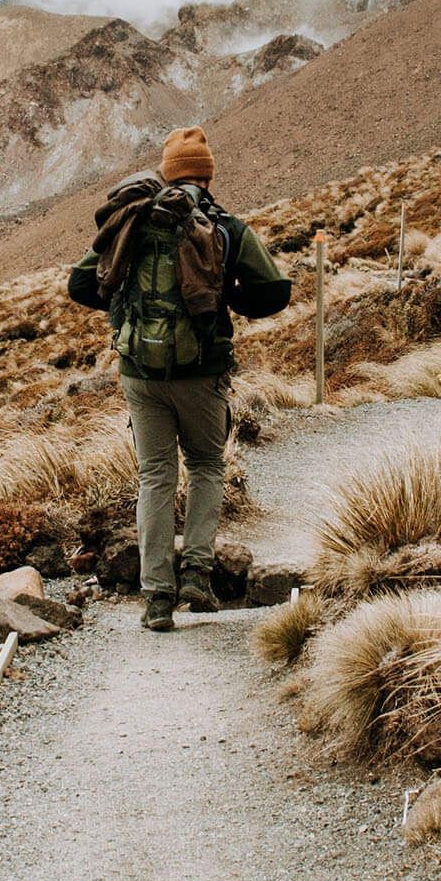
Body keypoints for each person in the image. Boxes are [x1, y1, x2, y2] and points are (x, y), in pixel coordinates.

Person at [67, 126, 292, 631]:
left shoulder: (133, 219)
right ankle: (196, 573)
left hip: (139, 375)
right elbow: (276, 292)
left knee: (155, 478)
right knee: (209, 465)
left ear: (169, 174)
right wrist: (225, 296)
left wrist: (126, 305)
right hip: (203, 372)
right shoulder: (225, 226)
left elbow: (80, 283)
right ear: (208, 175)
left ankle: (156, 599)